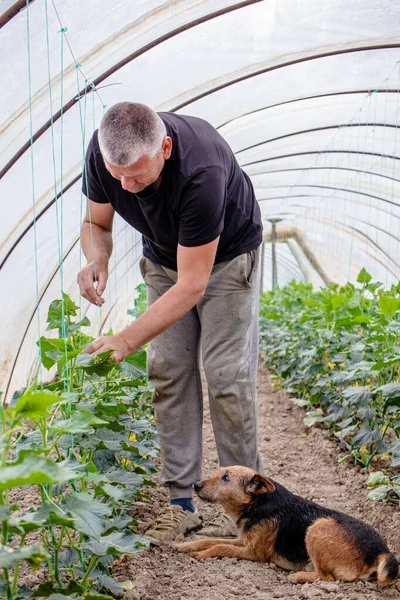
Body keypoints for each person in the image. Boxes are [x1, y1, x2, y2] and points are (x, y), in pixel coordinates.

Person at [78, 102, 264, 543]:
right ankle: (182, 503)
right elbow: (94, 222)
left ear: (164, 147)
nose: (127, 185)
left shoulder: (201, 170)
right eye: (117, 174)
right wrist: (96, 256)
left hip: (224, 262)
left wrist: (125, 339)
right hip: (162, 261)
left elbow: (193, 284)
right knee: (168, 372)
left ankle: (249, 508)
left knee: (226, 376)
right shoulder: (105, 152)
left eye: (138, 177)